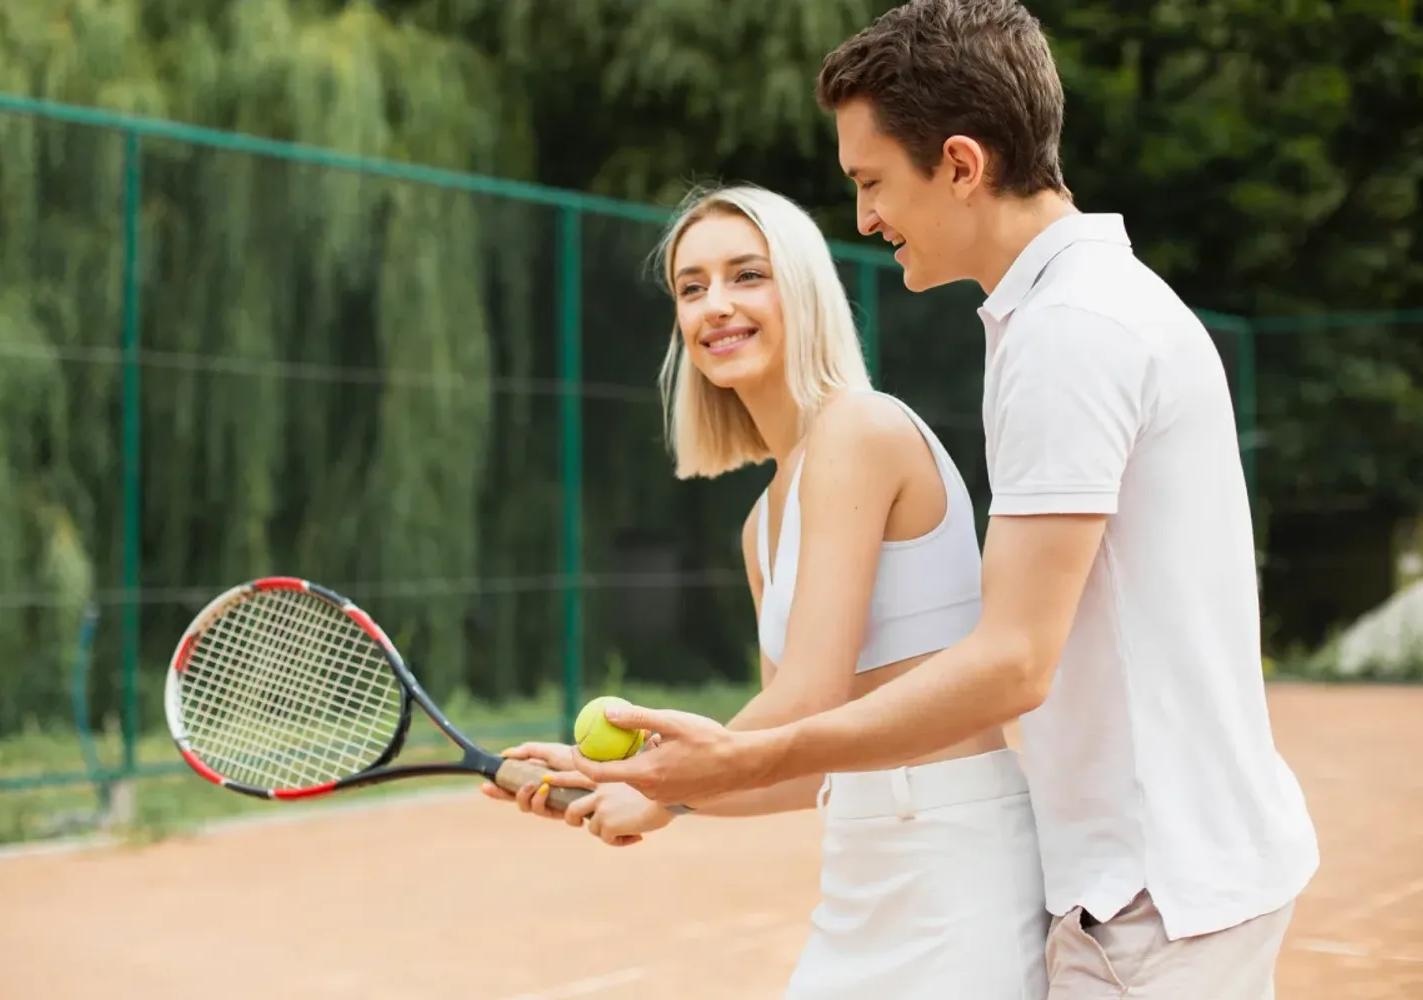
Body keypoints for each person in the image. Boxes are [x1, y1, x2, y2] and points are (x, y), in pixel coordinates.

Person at [570, 2, 1321, 999]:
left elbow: (1012, 661)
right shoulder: (1059, 318)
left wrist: (703, 766)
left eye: (872, 182)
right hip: (1129, 883)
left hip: (1157, 890)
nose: (866, 220)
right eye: (690, 286)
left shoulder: (1071, 330)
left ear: (961, 165)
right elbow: (835, 743)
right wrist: (681, 782)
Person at [481, 182, 1051, 999]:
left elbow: (811, 697)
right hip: (861, 868)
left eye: (747, 275)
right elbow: (798, 770)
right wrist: (620, 781)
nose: (716, 305)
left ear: (803, 289)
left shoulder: (860, 429)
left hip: (961, 864)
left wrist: (655, 782)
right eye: (691, 286)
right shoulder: (761, 523)